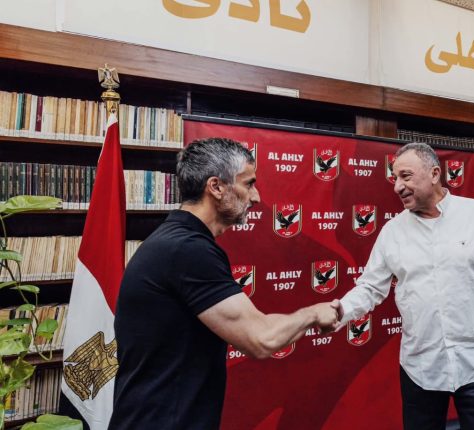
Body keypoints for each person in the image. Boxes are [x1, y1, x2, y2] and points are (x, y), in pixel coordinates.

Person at [110, 137, 339, 430]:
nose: (256, 197)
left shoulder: (177, 241)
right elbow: (261, 339)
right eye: (248, 184)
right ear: (216, 187)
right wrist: (314, 313)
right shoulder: (187, 249)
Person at [334, 142, 474, 430]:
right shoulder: (392, 232)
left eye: (405, 176)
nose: (397, 187)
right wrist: (339, 311)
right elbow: (370, 288)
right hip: (421, 368)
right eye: (395, 178)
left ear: (435, 174)